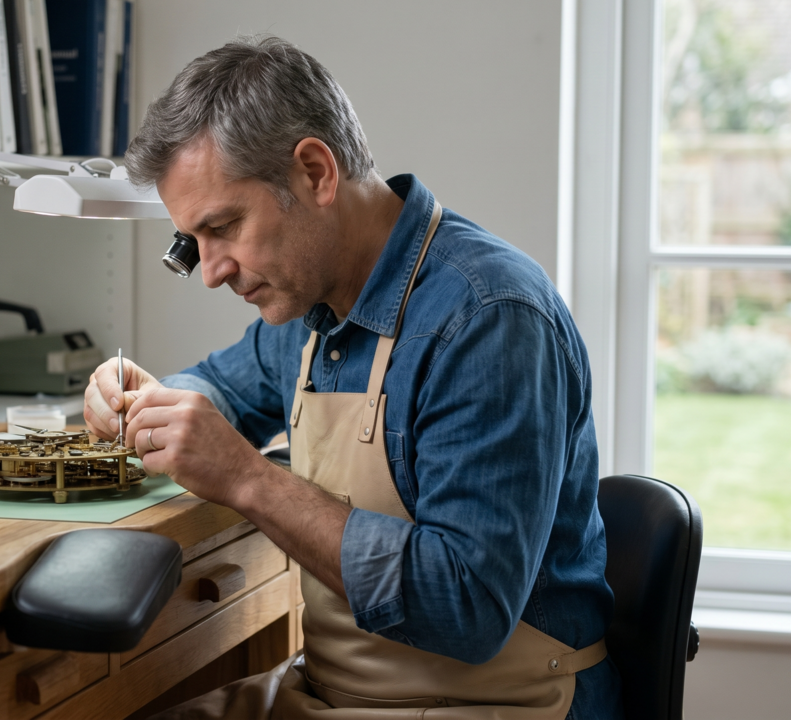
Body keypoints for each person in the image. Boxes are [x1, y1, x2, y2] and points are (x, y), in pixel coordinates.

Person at [83, 37, 623, 719]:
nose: (212, 270)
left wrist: (248, 479)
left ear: (314, 173)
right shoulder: (308, 309)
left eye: (223, 227)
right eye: (194, 244)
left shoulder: (488, 316)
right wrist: (142, 398)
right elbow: (219, 388)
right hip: (342, 693)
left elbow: (467, 609)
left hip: (503, 702)